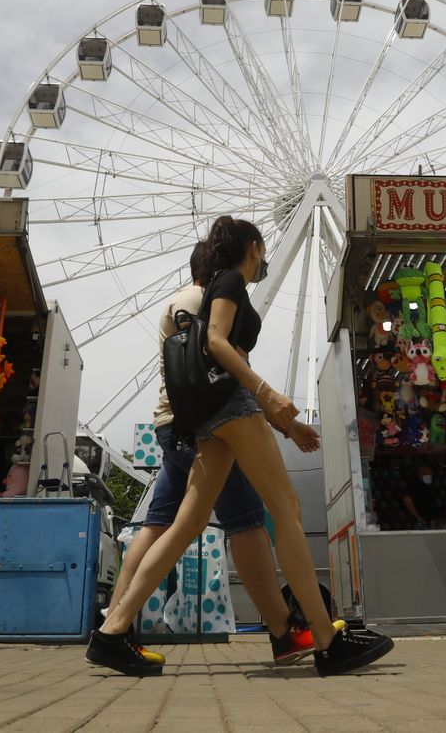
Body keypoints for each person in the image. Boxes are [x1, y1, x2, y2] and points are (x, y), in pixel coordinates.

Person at [88, 216, 395, 677]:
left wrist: (285, 425)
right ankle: (326, 639)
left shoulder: (216, 285)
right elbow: (216, 343)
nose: (266, 257)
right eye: (263, 248)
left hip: (209, 417)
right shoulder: (229, 280)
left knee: (185, 524)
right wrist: (267, 393)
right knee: (285, 507)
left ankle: (111, 632)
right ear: (253, 247)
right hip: (230, 406)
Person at [107, 240, 322, 666]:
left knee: (161, 525)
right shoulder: (198, 301)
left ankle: (114, 623)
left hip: (177, 425)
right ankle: (283, 630)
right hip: (210, 423)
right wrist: (270, 406)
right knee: (246, 522)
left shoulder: (192, 301)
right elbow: (216, 361)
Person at [402, 462, 437, 528]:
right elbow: (406, 499)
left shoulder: (428, 486)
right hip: (419, 522)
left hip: (429, 521)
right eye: (427, 473)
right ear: (420, 474)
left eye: (430, 473)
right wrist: (418, 517)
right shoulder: (414, 485)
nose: (429, 475)